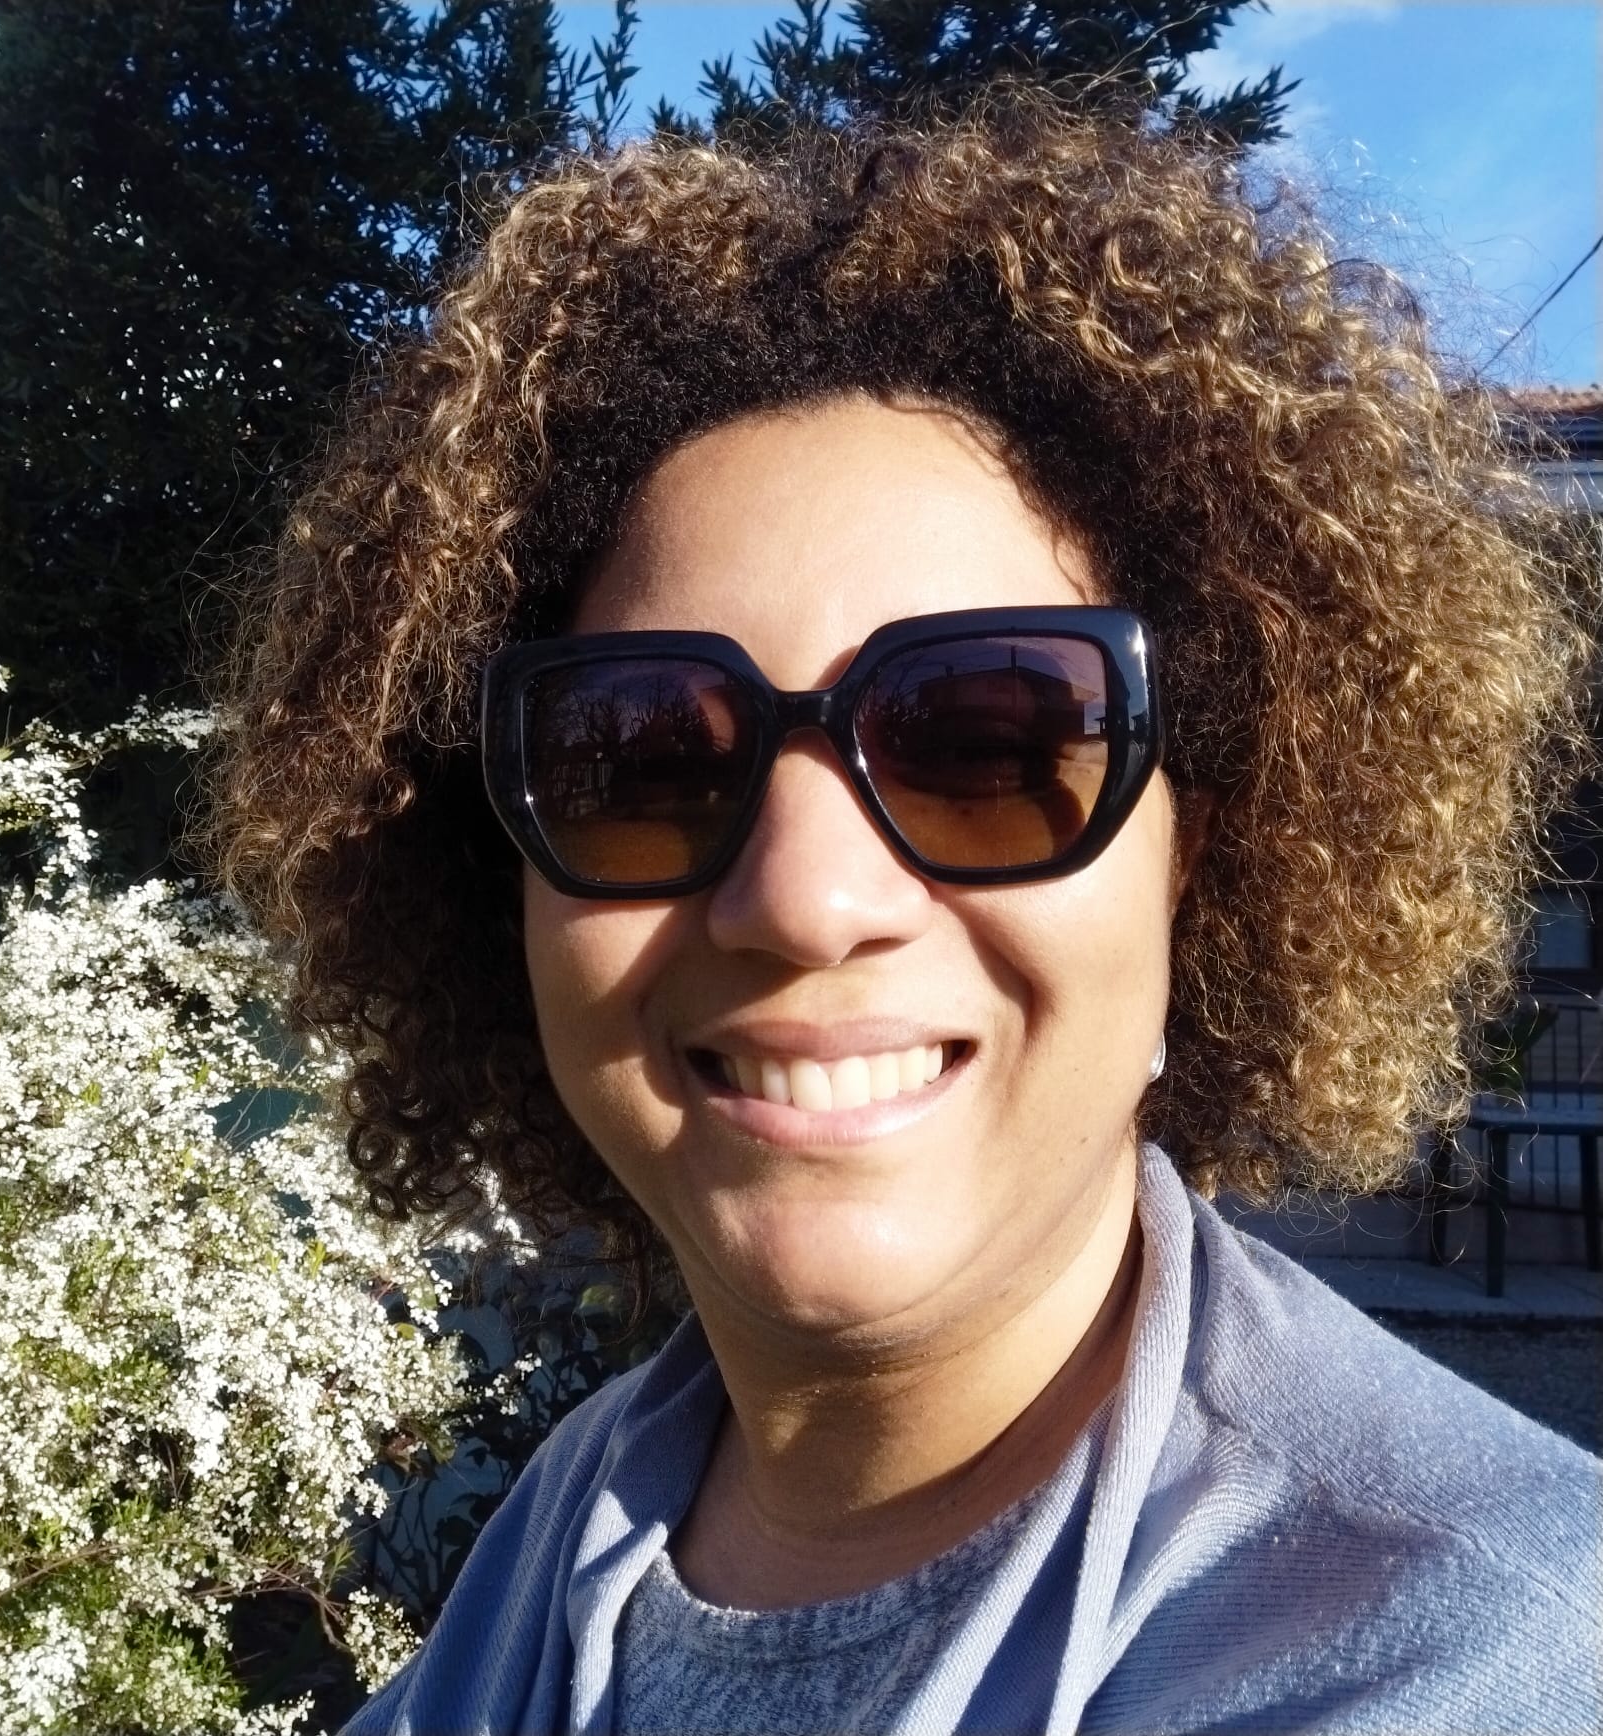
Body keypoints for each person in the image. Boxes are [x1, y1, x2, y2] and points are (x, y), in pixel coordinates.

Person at [211, 90, 1602, 1735]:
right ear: (495, 875)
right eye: (638, 756)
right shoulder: (585, 1515)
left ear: (1197, 864)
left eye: (987, 741)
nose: (804, 901)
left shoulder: (1476, 1659)